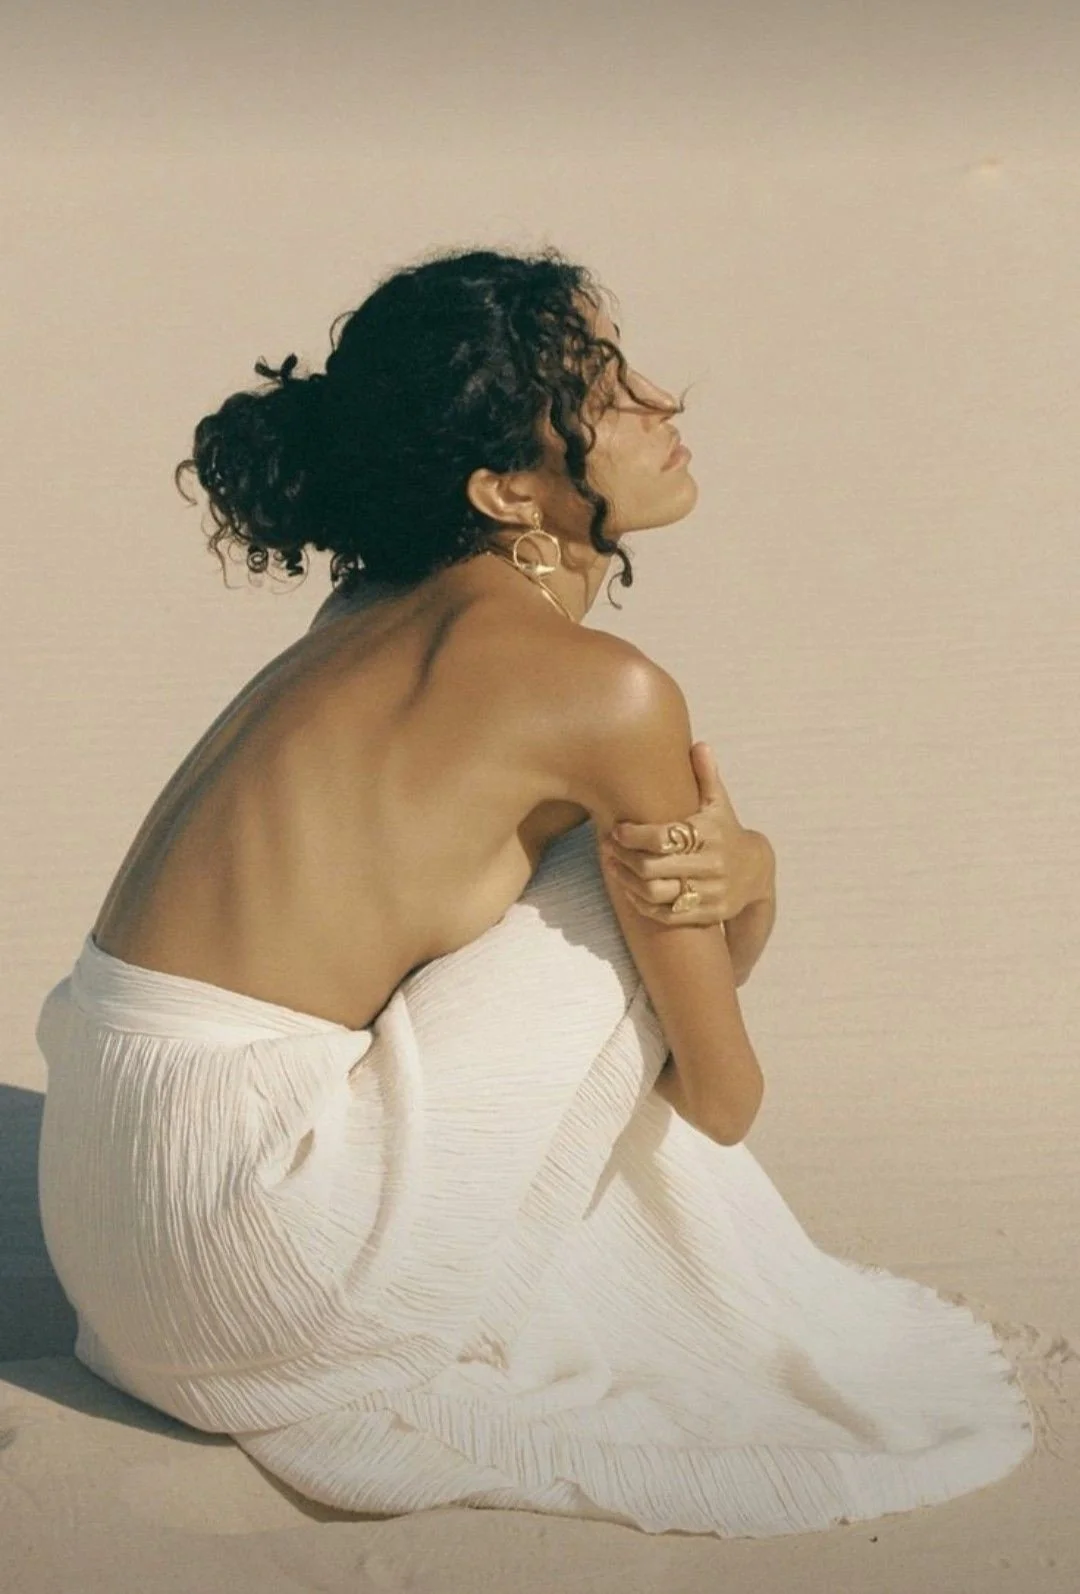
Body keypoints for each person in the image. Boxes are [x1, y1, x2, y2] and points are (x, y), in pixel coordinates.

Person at [34, 245, 1036, 1537]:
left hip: (112, 1245)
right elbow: (720, 1096)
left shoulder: (367, 611)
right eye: (606, 397)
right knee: (595, 878)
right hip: (257, 1279)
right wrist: (756, 874)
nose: (664, 401)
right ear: (507, 489)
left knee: (591, 873)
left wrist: (729, 886)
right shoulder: (604, 693)